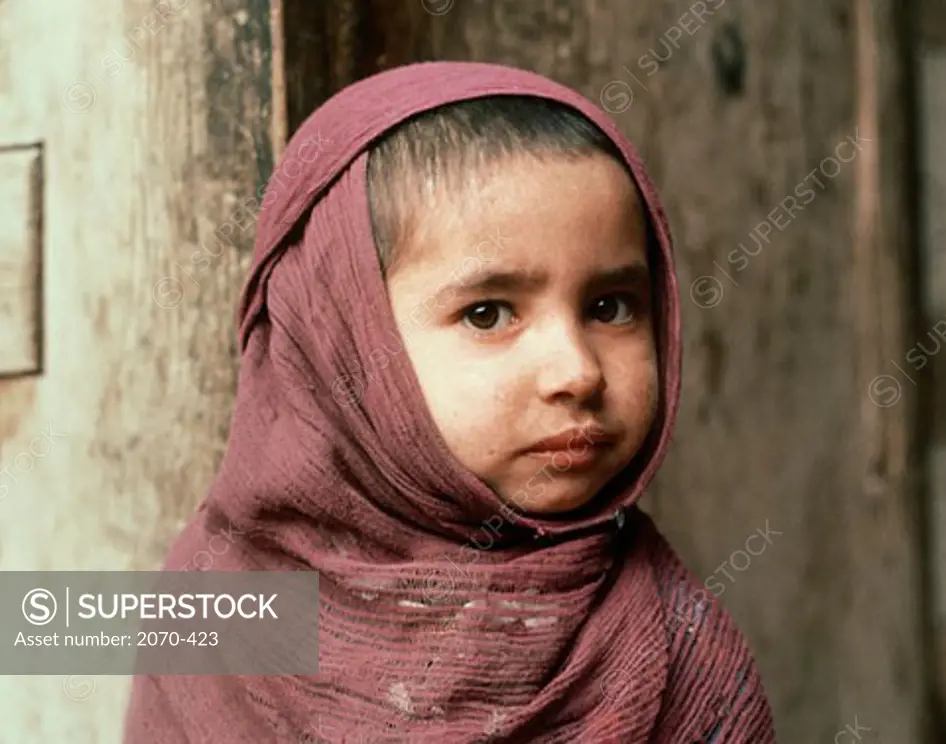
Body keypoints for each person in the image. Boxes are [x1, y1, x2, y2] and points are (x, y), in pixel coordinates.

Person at [122, 60, 776, 743]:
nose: (577, 372)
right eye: (489, 314)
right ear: (337, 338)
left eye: (610, 307)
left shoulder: (678, 652)